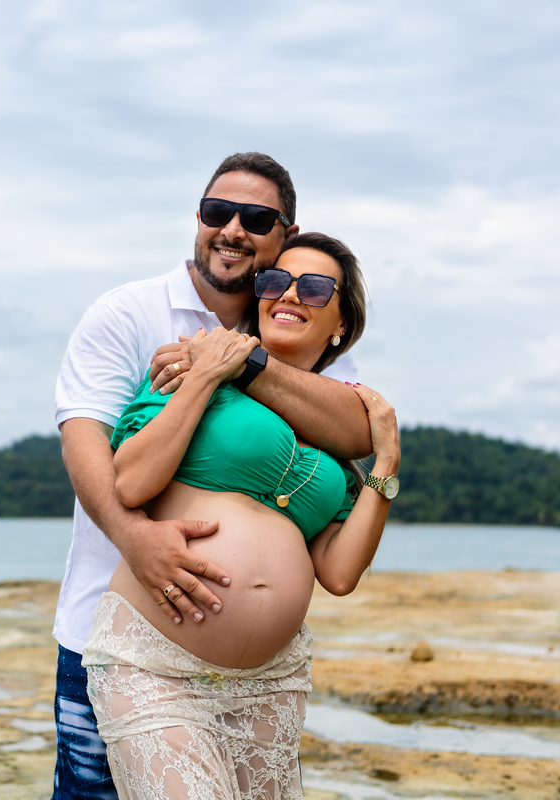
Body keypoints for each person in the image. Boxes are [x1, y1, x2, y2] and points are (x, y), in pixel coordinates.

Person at [52, 153, 372, 799]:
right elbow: (86, 440)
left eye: (256, 218)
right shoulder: (129, 312)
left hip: (262, 680)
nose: (232, 229)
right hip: (123, 631)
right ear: (197, 218)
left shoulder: (286, 344)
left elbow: (360, 434)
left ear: (285, 235)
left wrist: (240, 358)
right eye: (216, 211)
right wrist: (132, 537)